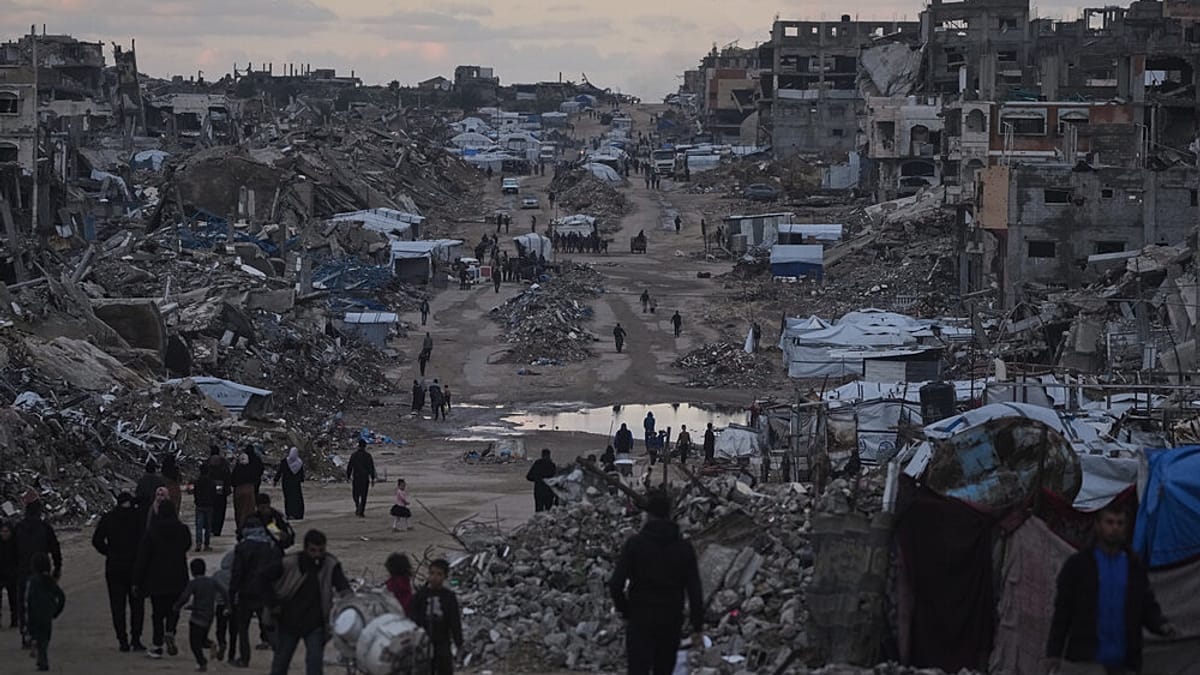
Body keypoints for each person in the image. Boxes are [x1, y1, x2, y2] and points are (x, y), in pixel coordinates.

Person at [1047, 504, 1176, 674]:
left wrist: (1160, 625)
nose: (1114, 528)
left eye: (1119, 523)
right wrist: (1054, 652)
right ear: (1098, 525)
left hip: (1125, 662)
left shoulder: (1134, 567)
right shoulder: (1078, 565)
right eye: (1109, 522)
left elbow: (1145, 605)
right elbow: (1063, 611)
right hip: (1087, 661)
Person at [608, 490, 704, 675]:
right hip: (670, 620)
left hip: (640, 618)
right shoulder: (683, 548)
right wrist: (697, 625)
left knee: (638, 669)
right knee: (664, 669)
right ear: (669, 515)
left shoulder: (635, 544)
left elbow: (615, 584)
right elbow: (694, 589)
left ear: (648, 515)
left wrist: (626, 611)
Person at [266, 529, 350, 675]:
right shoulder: (289, 562)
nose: (317, 555)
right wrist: (273, 603)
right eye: (313, 550)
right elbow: (264, 580)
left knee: (314, 665)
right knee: (281, 663)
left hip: (315, 624)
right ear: (305, 548)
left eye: (321, 550)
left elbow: (343, 587)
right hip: (288, 621)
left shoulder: (330, 564)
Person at [134, 500, 192, 659]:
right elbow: (187, 545)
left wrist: (137, 580)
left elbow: (143, 558)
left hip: (156, 578)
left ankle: (157, 645)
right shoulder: (182, 530)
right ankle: (170, 630)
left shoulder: (152, 531)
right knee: (174, 609)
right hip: (178, 576)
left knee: (158, 614)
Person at [92, 492, 146, 651]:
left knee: (117, 606)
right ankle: (136, 639)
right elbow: (146, 540)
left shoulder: (109, 518)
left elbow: (97, 540)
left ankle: (122, 640)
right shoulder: (138, 517)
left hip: (114, 567)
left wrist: (108, 552)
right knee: (137, 605)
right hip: (135, 567)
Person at [229, 516, 281, 668]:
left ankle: (244, 659)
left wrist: (232, 592)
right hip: (265, 592)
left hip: (246, 592)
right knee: (268, 625)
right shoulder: (271, 546)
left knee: (243, 627)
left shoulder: (242, 547)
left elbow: (237, 572)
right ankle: (280, 655)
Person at [14, 500, 61, 648]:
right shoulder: (45, 527)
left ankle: (25, 633)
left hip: (22, 571)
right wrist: (57, 567)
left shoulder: (18, 528)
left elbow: (11, 551)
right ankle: (39, 634)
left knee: (24, 603)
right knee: (40, 604)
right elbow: (55, 548)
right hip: (42, 571)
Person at [174, 558, 228, 673]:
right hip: (209, 616)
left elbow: (185, 597)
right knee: (202, 639)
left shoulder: (194, 583)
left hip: (197, 616)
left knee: (194, 643)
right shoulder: (211, 581)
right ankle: (211, 644)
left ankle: (202, 662)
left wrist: (177, 606)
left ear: (192, 571)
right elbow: (224, 592)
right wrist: (227, 606)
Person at [411, 559, 463, 675]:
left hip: (442, 642)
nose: (434, 577)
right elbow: (413, 617)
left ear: (445, 577)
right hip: (423, 642)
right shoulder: (420, 595)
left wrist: (458, 642)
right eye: (432, 573)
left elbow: (454, 621)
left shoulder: (448, 597)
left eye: (439, 574)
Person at [25, 553, 64, 672]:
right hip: (47, 614)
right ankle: (41, 657)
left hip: (35, 614)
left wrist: (26, 614)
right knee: (45, 639)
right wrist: (56, 611)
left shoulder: (32, 581)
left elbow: (29, 599)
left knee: (36, 635)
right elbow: (61, 596)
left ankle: (40, 656)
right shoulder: (50, 581)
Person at [274, 447, 306, 521]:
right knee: (297, 499)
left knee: (288, 499)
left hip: (286, 484)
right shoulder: (299, 463)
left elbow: (280, 471)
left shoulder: (285, 462)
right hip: (296, 484)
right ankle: (298, 514)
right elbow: (301, 474)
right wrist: (301, 480)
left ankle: (289, 514)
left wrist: (276, 480)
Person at [347, 439, 377, 517]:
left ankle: (357, 505)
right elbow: (371, 467)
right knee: (364, 495)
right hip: (365, 478)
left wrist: (348, 476)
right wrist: (372, 478)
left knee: (355, 494)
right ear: (365, 446)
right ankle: (361, 511)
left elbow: (350, 466)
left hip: (356, 477)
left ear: (358, 446)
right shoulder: (368, 456)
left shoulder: (354, 455)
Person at [206, 447, 232, 538]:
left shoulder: (207, 462)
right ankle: (217, 530)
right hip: (221, 488)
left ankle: (210, 528)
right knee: (220, 510)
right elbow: (228, 475)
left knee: (210, 509)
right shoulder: (224, 462)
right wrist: (228, 488)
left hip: (210, 488)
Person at [231, 452, 258, 534]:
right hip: (249, 490)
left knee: (239, 510)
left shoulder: (237, 469)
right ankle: (249, 526)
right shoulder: (251, 469)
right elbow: (255, 479)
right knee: (249, 510)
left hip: (238, 491)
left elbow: (232, 481)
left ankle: (240, 527)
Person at [192, 465, 216, 552]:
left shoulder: (197, 482)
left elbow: (195, 492)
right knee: (208, 526)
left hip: (199, 505)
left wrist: (196, 501)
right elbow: (214, 494)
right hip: (209, 505)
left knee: (199, 526)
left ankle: (198, 544)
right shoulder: (211, 482)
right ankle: (206, 544)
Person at [0, 522, 15, 630]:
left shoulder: (14, 544)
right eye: (2, 531)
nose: (4, 534)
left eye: (6, 531)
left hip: (12, 575)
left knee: (13, 599)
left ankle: (15, 621)